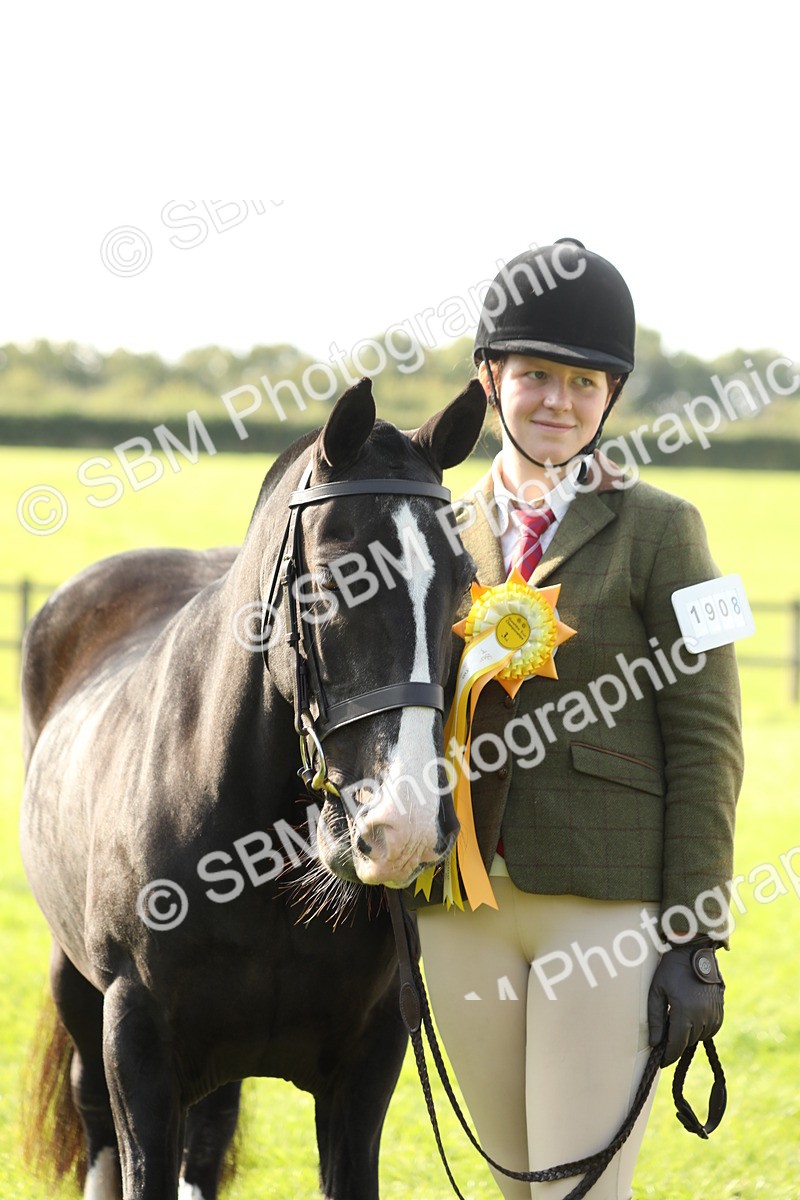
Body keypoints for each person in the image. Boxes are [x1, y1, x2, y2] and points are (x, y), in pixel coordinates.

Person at [407, 239, 744, 1200]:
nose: (558, 400)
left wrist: (696, 930)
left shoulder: (666, 527)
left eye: (584, 383)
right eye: (536, 376)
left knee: (577, 1191)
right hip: (461, 908)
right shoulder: (435, 532)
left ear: (611, 397)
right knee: (513, 1189)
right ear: (490, 378)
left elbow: (709, 737)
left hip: (605, 907)